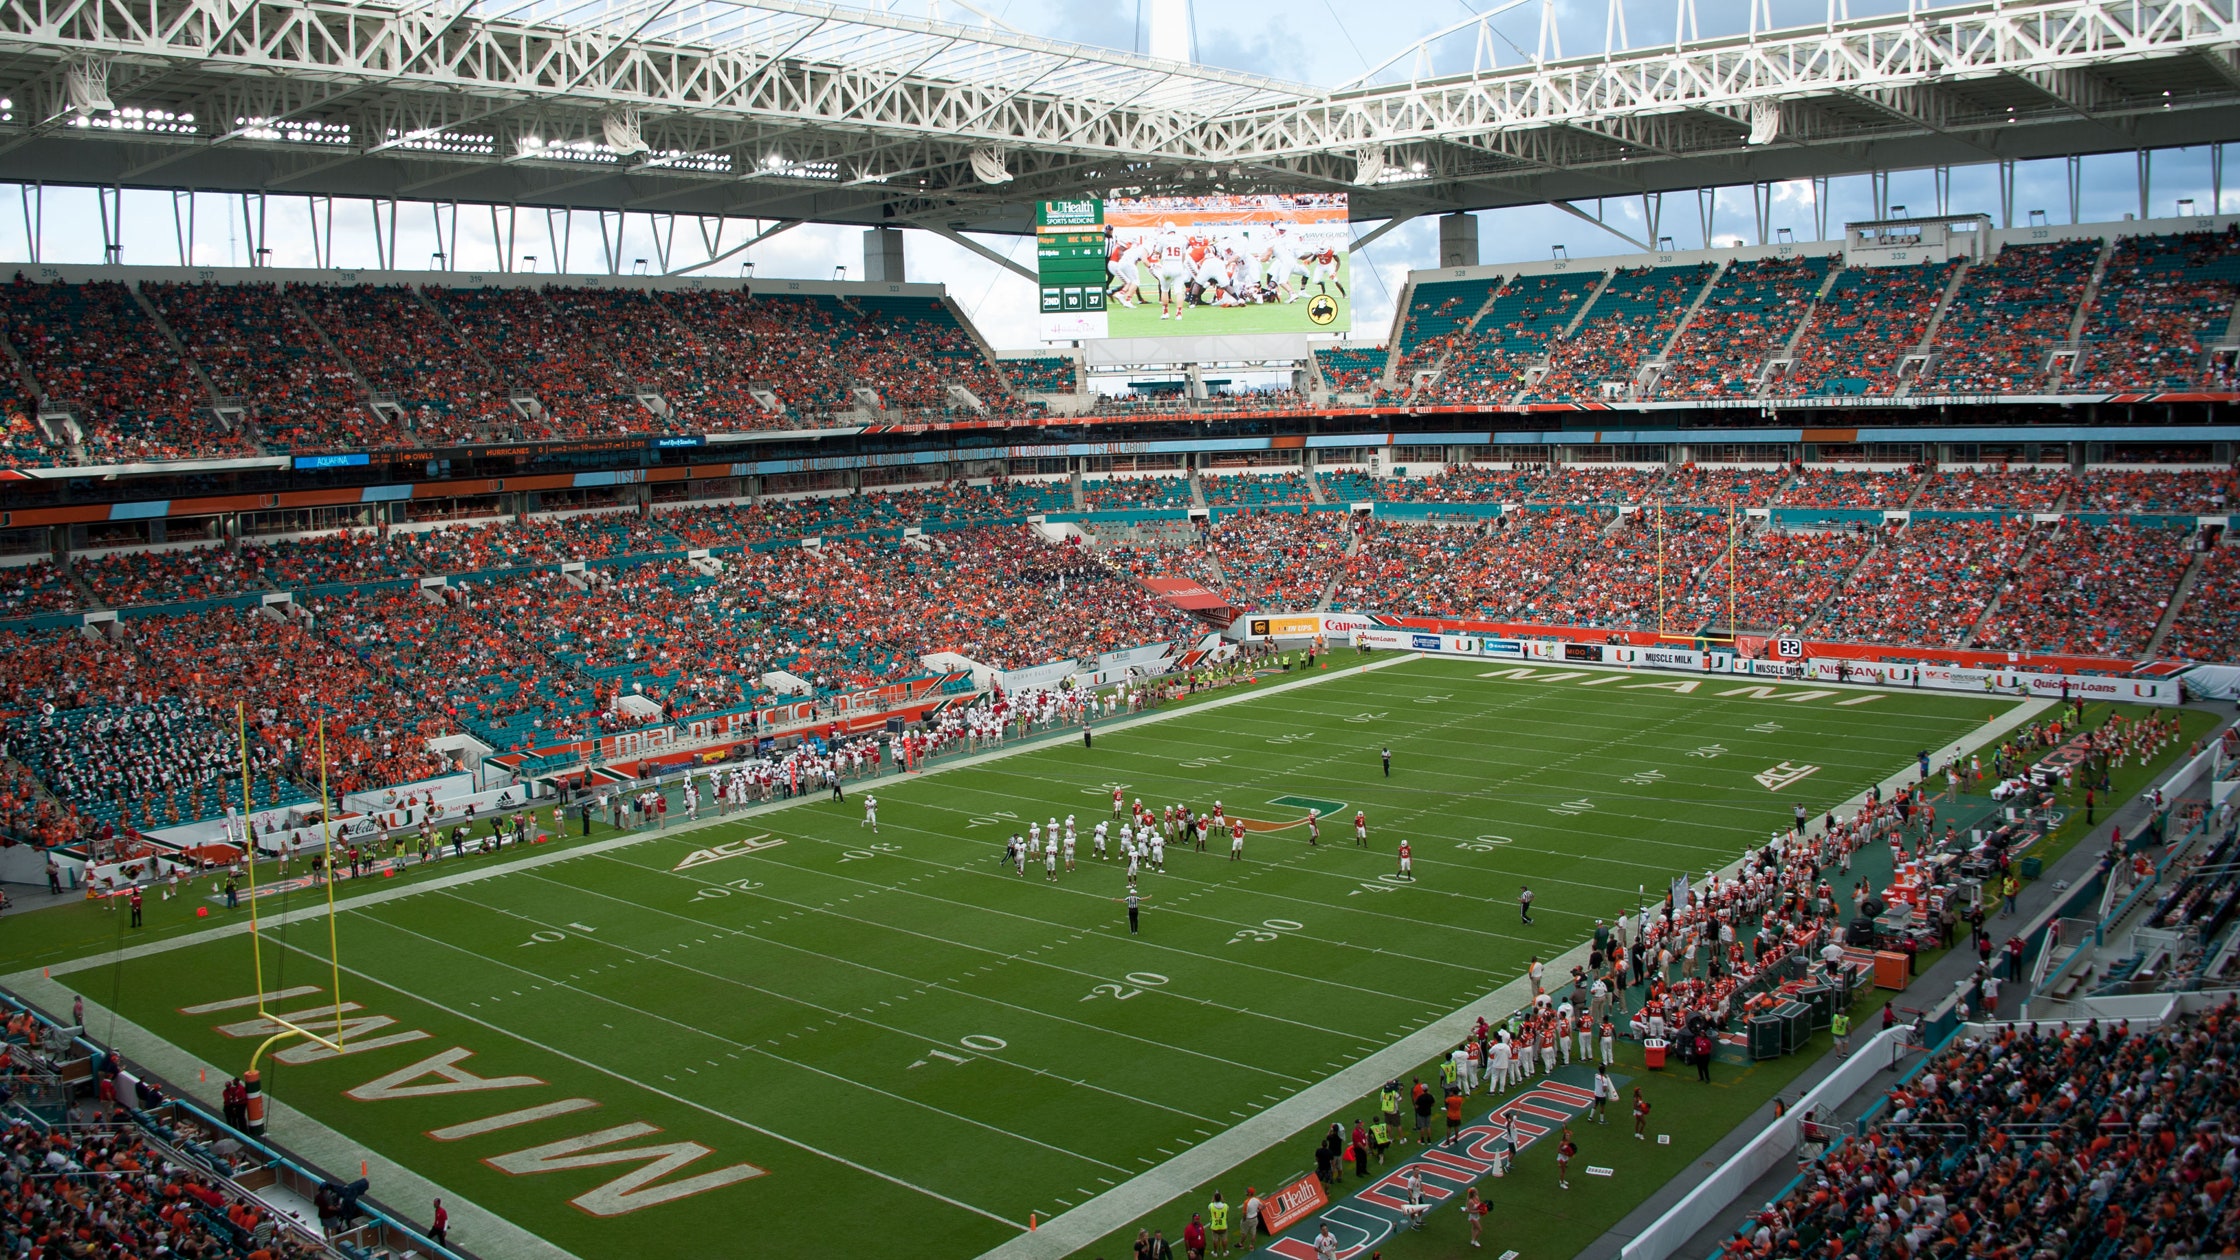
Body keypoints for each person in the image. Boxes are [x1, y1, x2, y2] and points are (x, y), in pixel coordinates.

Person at [1207, 1192, 1229, 1257]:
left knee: (1215, 1240)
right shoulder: (1225, 1205)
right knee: (1224, 1239)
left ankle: (1215, 1252)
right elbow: (1227, 1209)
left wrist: (1212, 1200)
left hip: (1215, 1226)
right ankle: (1225, 1252)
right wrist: (1223, 1200)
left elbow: (1209, 1208)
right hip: (1223, 1226)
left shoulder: (1211, 1205)